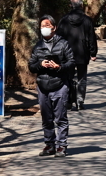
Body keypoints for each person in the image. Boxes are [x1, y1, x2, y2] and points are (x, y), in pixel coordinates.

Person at [28, 15, 76, 157]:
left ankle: (61, 146)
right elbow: (31, 66)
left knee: (60, 117)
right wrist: (40, 65)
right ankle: (49, 144)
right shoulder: (38, 46)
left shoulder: (63, 44)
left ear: (54, 28)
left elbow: (71, 62)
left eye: (47, 25)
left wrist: (59, 67)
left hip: (60, 85)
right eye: (42, 26)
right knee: (46, 118)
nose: (44, 28)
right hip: (43, 86)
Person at [57, 0, 98, 111]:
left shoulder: (64, 20)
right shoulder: (87, 20)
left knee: (68, 78)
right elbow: (91, 38)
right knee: (82, 78)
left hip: (67, 54)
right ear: (81, 5)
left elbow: (59, 37)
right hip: (82, 53)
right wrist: (93, 53)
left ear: (71, 5)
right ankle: (80, 101)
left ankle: (69, 101)